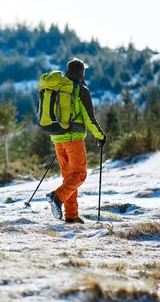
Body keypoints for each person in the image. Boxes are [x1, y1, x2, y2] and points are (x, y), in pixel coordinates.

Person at [45, 58, 106, 224]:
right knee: (79, 175)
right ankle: (57, 197)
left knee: (69, 178)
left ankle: (71, 216)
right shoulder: (81, 90)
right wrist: (100, 136)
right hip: (73, 139)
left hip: (57, 138)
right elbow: (89, 119)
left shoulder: (58, 87)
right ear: (82, 72)